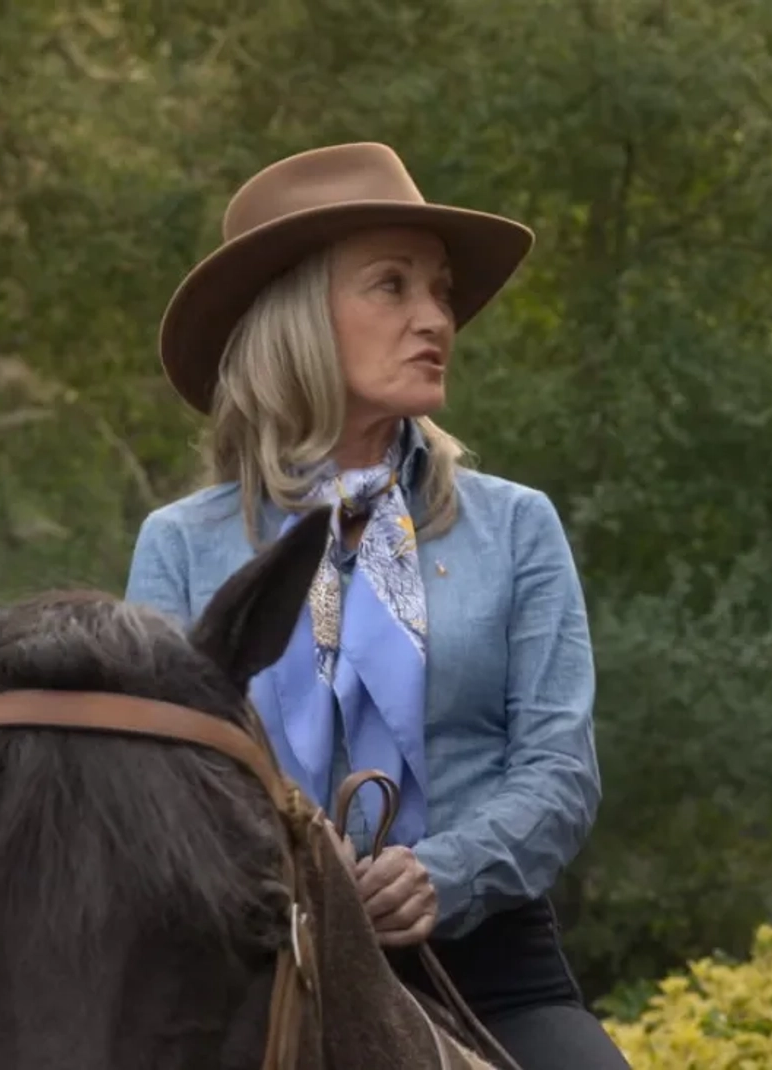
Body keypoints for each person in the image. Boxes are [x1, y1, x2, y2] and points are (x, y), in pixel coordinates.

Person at [124, 141, 632, 1070]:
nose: (436, 316)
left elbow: (560, 774)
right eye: (391, 287)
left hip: (485, 971)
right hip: (255, 972)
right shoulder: (180, 546)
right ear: (295, 322)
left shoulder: (516, 528)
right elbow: (151, 799)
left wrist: (445, 874)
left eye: (439, 290)